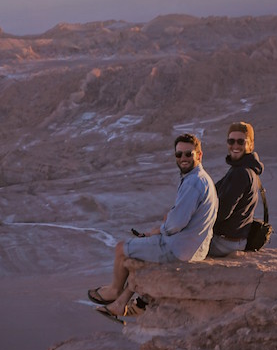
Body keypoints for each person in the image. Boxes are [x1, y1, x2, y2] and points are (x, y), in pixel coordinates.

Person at [88, 133, 218, 323]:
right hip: (195, 248)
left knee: (122, 249)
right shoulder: (203, 179)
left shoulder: (193, 182)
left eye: (188, 154)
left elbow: (176, 223)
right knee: (142, 252)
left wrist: (163, 228)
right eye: (179, 155)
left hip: (179, 249)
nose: (183, 158)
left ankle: (113, 292)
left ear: (199, 155)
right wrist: (158, 230)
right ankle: (120, 305)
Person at [207, 121, 264, 257]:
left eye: (241, 142)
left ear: (250, 144)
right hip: (234, 241)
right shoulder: (245, 169)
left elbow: (222, 212)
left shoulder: (240, 173)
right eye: (231, 141)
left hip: (225, 243)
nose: (235, 146)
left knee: (175, 246)